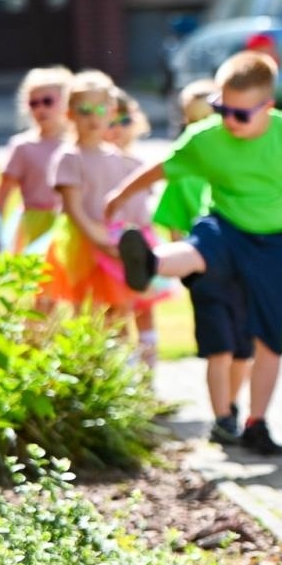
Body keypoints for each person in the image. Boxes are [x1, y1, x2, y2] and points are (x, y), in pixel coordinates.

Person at [105, 51, 282, 456]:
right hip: (225, 224)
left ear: (267, 106)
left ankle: (257, 422)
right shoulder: (208, 136)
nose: (228, 120)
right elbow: (164, 165)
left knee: (269, 337)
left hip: (272, 242)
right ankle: (151, 262)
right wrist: (119, 194)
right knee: (203, 246)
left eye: (239, 114)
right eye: (222, 109)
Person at [42, 73, 160, 329]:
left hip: (113, 240)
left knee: (120, 309)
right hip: (84, 242)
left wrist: (120, 241)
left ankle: (124, 355)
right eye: (84, 110)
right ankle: (90, 354)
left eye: (100, 109)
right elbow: (73, 209)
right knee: (89, 310)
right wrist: (100, 241)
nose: (93, 118)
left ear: (112, 112)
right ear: (69, 114)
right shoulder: (70, 157)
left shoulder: (117, 157)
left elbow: (122, 204)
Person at [106, 88, 162, 366]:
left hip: (141, 240)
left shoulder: (140, 164)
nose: (118, 129)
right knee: (115, 312)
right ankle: (122, 375)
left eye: (125, 121)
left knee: (145, 309)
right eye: (111, 122)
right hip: (111, 245)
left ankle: (147, 375)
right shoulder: (99, 162)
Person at [0, 66, 73, 254]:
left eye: (47, 101)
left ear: (67, 102)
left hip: (68, 222)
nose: (40, 109)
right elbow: (2, 194)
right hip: (33, 223)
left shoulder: (75, 144)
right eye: (34, 103)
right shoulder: (23, 146)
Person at [152, 79, 217, 240]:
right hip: (201, 249)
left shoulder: (240, 162)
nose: (201, 129)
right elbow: (175, 229)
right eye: (195, 121)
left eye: (208, 119)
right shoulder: (180, 173)